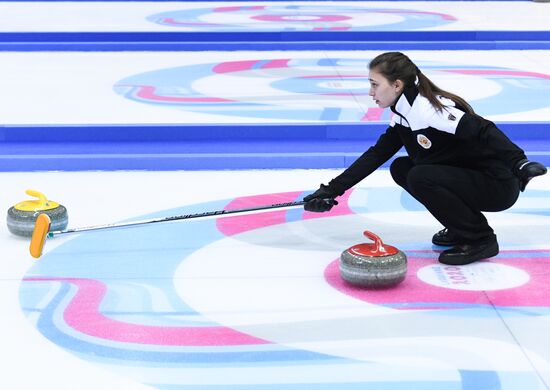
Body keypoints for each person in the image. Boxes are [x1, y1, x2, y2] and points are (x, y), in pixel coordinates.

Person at [303, 51, 547, 266]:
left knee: (421, 175)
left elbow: (484, 130)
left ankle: (480, 238)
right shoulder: (403, 112)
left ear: (396, 85)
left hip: (496, 184)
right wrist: (330, 190)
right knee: (402, 167)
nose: (370, 92)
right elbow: (377, 154)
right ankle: (460, 226)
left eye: (375, 84)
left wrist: (519, 162)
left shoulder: (430, 109)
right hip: (471, 179)